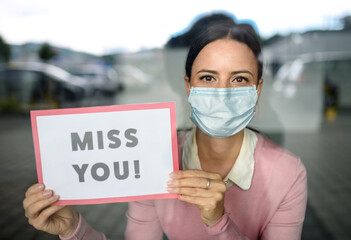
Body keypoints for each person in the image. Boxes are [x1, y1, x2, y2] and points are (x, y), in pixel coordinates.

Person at [23, 21, 307, 240]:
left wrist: (218, 222)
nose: (222, 93)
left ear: (257, 89)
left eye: (240, 79)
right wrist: (74, 228)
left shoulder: (288, 173)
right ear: (188, 86)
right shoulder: (154, 159)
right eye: (208, 77)